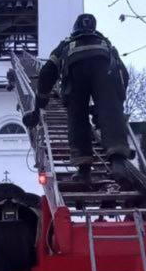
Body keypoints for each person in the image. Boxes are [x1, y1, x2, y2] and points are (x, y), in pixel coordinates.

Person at [24, 13, 132, 180]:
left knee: (78, 117)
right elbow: (123, 74)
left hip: (75, 76)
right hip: (106, 73)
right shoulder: (106, 44)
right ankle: (118, 162)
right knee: (111, 113)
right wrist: (117, 102)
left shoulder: (66, 44)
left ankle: (84, 169)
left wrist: (41, 102)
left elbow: (46, 72)